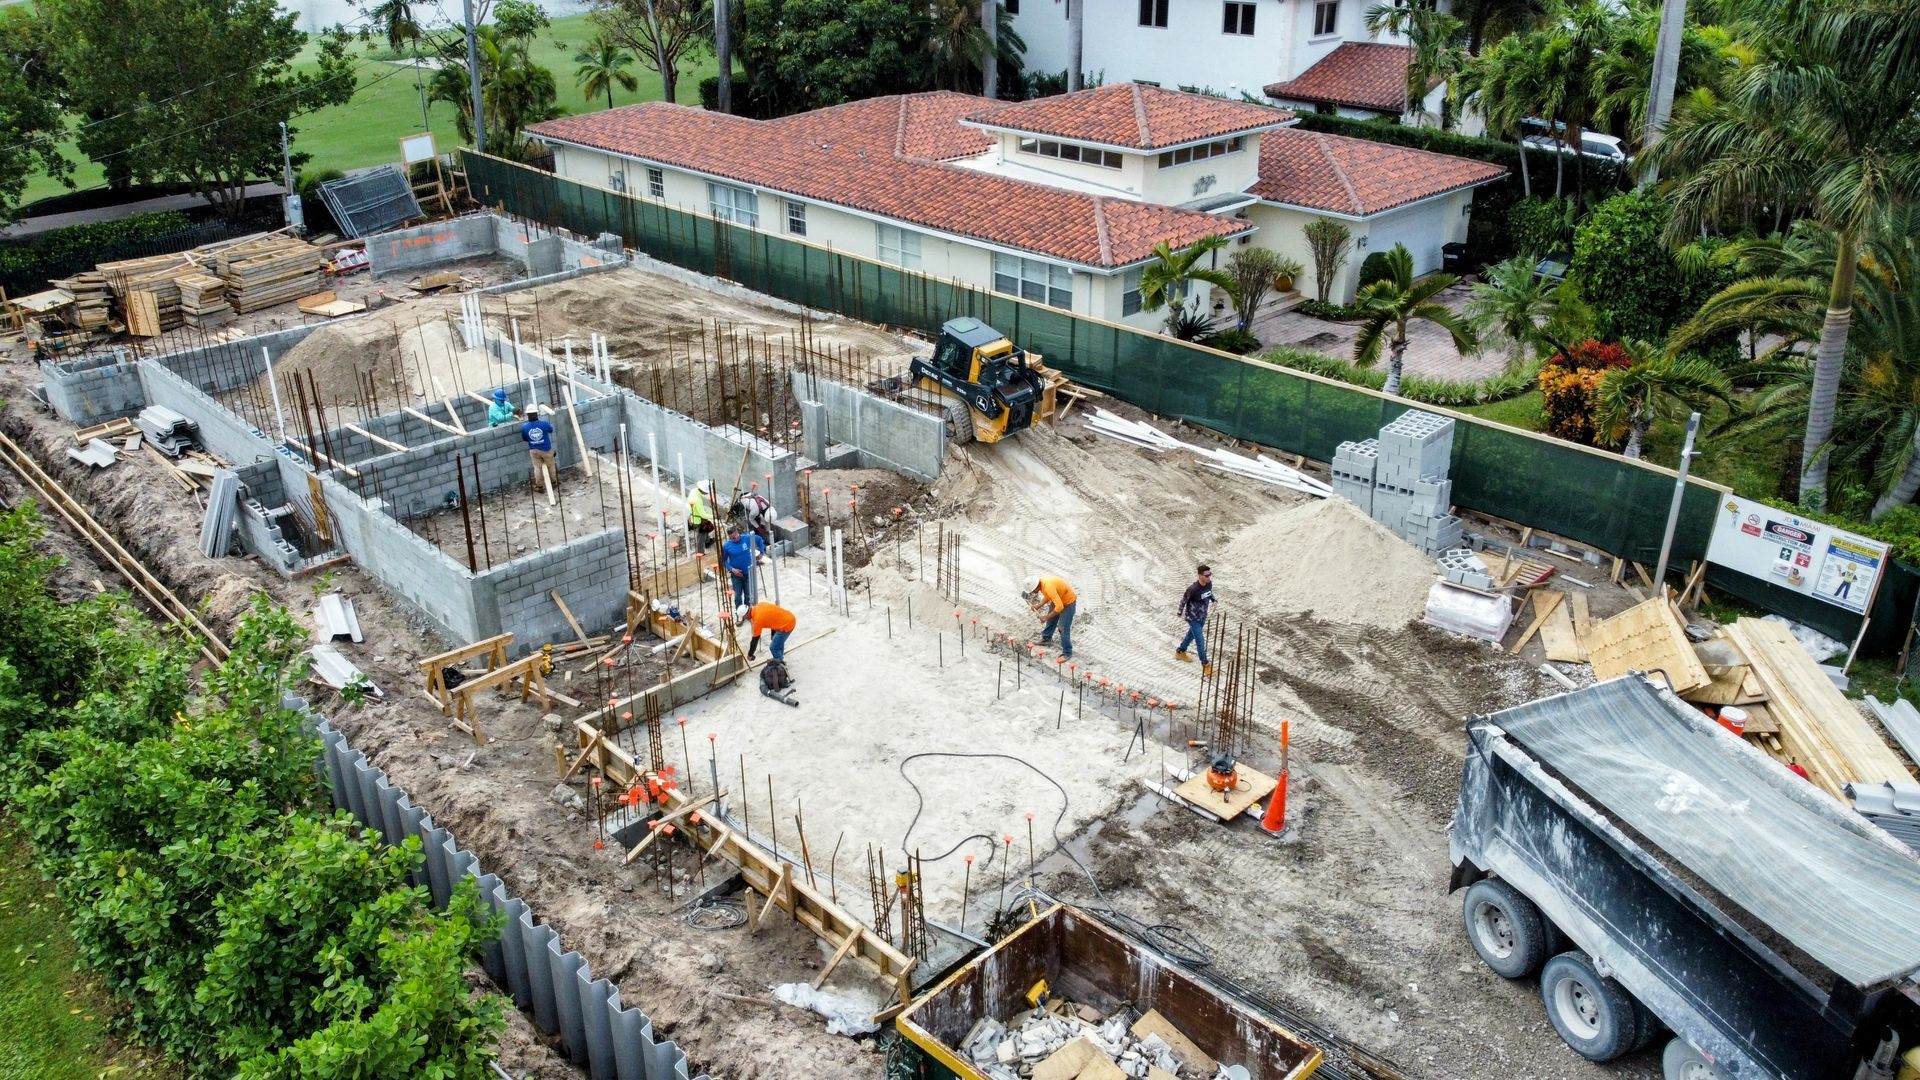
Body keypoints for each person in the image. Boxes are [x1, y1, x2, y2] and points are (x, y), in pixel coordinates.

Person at [1023, 573, 1077, 660]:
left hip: (1068, 603)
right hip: (1059, 599)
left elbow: (1060, 607)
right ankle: (1046, 638)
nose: (1033, 592)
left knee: (1062, 628)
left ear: (1036, 586)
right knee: (1051, 620)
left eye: (1033, 590)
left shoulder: (1048, 586)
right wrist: (1038, 605)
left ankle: (1067, 652)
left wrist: (1046, 617)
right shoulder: (1043, 584)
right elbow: (1048, 596)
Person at [1176, 565, 1215, 676]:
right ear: (1200, 576)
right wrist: (1180, 613)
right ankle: (1206, 665)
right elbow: (1183, 601)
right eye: (1206, 575)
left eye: (1209, 575)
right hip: (1193, 618)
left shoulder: (1208, 584)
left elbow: (1209, 593)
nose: (1209, 577)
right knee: (1200, 641)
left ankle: (1180, 651)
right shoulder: (1193, 589)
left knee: (1191, 636)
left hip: (1202, 616)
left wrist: (1214, 600)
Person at [720, 524, 768, 606]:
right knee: (738, 596)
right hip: (736, 575)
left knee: (748, 595)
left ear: (737, 532)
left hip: (749, 573)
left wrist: (762, 552)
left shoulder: (747, 538)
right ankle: (739, 612)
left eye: (734, 537)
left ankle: (747, 612)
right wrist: (732, 569)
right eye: (731, 538)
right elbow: (723, 561)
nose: (733, 539)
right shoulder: (727, 546)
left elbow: (759, 539)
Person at [521, 406, 557, 493]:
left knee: (537, 468)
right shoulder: (544, 424)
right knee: (550, 466)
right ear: (536, 414)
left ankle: (539, 486)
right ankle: (554, 482)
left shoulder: (525, 427)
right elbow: (551, 430)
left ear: (528, 415)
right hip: (546, 449)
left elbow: (525, 439)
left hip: (534, 450)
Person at [688, 481, 715, 553]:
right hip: (698, 520)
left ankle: (708, 541)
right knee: (701, 537)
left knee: (705, 531)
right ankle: (700, 553)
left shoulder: (693, 491)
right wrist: (714, 516)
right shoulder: (698, 500)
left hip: (693, 515)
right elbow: (703, 515)